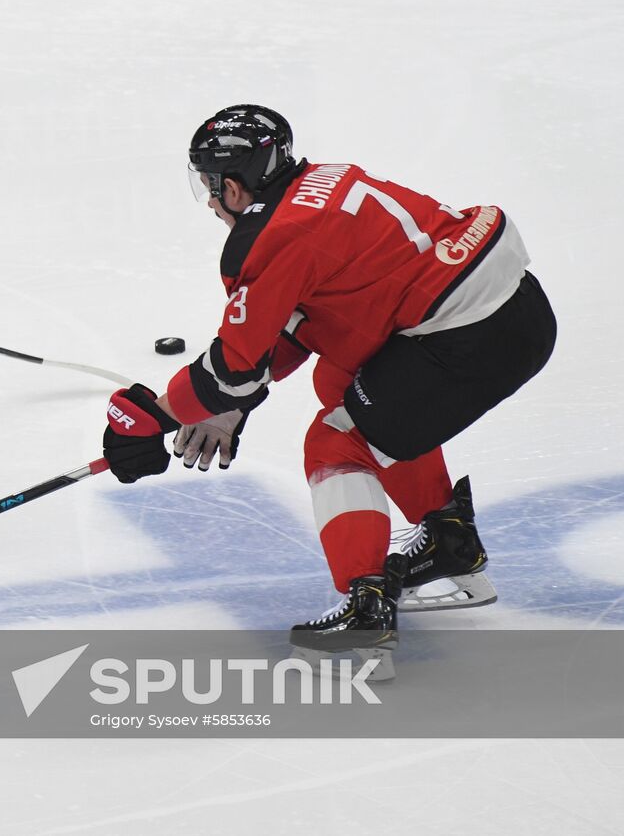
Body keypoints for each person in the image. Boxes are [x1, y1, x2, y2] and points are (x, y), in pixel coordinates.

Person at [101, 104, 555, 655]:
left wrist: (156, 415)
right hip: (519, 310)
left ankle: (366, 614)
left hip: (464, 340)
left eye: (210, 187)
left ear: (235, 185)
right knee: (341, 383)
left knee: (336, 442)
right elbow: (314, 323)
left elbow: (231, 368)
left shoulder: (272, 238)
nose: (212, 204)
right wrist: (230, 404)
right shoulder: (324, 181)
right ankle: (447, 540)